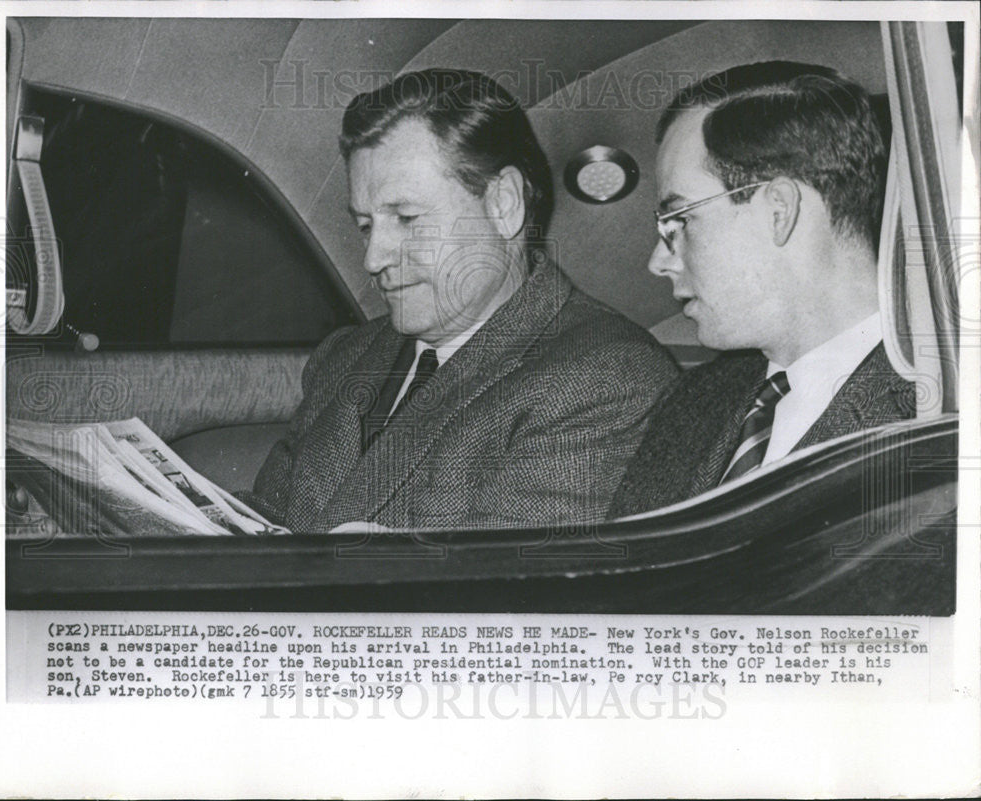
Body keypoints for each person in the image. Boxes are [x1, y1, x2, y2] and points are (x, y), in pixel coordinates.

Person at [251, 68, 678, 531]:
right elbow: (266, 521)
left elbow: (504, 593)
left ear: (504, 204)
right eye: (366, 226)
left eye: (408, 218)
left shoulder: (604, 379)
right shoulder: (344, 355)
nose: (373, 258)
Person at [610, 61, 915, 517]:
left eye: (681, 221)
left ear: (778, 210)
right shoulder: (694, 402)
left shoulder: (939, 410)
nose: (659, 261)